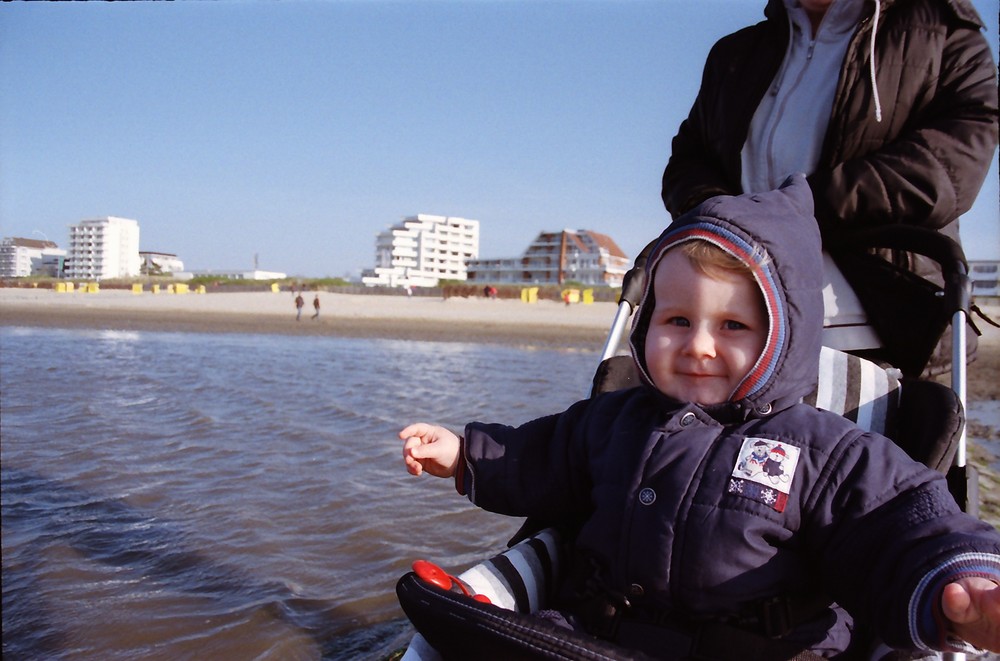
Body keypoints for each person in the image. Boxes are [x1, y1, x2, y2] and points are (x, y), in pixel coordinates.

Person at [400, 177, 1000, 658]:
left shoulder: (824, 449)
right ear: (647, 322)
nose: (698, 346)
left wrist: (965, 587)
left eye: (733, 326)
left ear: (784, 340)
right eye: (677, 320)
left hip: (765, 645)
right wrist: (463, 452)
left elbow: (901, 518)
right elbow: (543, 454)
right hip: (598, 631)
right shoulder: (615, 418)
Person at [661, 0, 999, 374]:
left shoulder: (947, 35)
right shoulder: (734, 54)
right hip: (735, 331)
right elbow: (688, 159)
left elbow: (947, 170)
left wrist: (793, 210)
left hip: (881, 329)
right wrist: (723, 218)